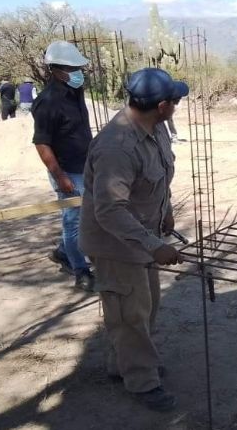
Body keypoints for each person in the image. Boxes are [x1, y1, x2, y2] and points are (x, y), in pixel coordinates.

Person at [79, 67, 187, 412]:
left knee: (146, 305)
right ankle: (142, 381)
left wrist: (166, 211)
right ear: (162, 105)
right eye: (175, 101)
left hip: (142, 236)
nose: (177, 105)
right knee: (130, 315)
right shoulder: (117, 146)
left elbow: (160, 178)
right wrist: (155, 246)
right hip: (115, 244)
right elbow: (110, 211)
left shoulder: (156, 129)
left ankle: (122, 365)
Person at [32, 40, 94, 290]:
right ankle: (80, 270)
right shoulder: (48, 101)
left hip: (85, 166)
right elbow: (42, 143)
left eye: (79, 68)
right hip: (67, 171)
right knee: (73, 221)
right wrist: (60, 176)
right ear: (56, 70)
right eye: (72, 69)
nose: (78, 73)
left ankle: (63, 251)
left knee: (86, 216)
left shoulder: (75, 92)